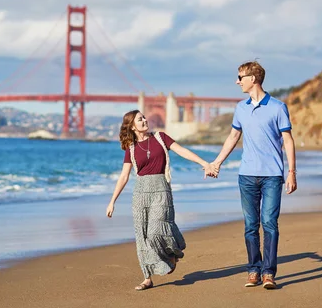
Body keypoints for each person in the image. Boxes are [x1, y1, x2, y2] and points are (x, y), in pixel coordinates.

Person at [208, 61, 297, 290]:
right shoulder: (241, 108)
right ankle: (253, 270)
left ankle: (269, 272)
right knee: (250, 225)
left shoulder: (278, 107)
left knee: (269, 223)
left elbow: (287, 140)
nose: (237, 81)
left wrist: (291, 172)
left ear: (253, 78)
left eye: (240, 77)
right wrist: (216, 163)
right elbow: (232, 137)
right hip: (246, 176)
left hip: (272, 176)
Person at [106, 110, 217, 291]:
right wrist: (112, 201)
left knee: (156, 230)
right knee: (142, 236)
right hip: (140, 194)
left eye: (144, 117)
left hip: (161, 190)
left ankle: (172, 255)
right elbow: (124, 176)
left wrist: (205, 164)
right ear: (133, 126)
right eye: (139, 119)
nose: (144, 120)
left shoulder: (160, 138)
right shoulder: (131, 148)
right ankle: (147, 277)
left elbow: (183, 151)